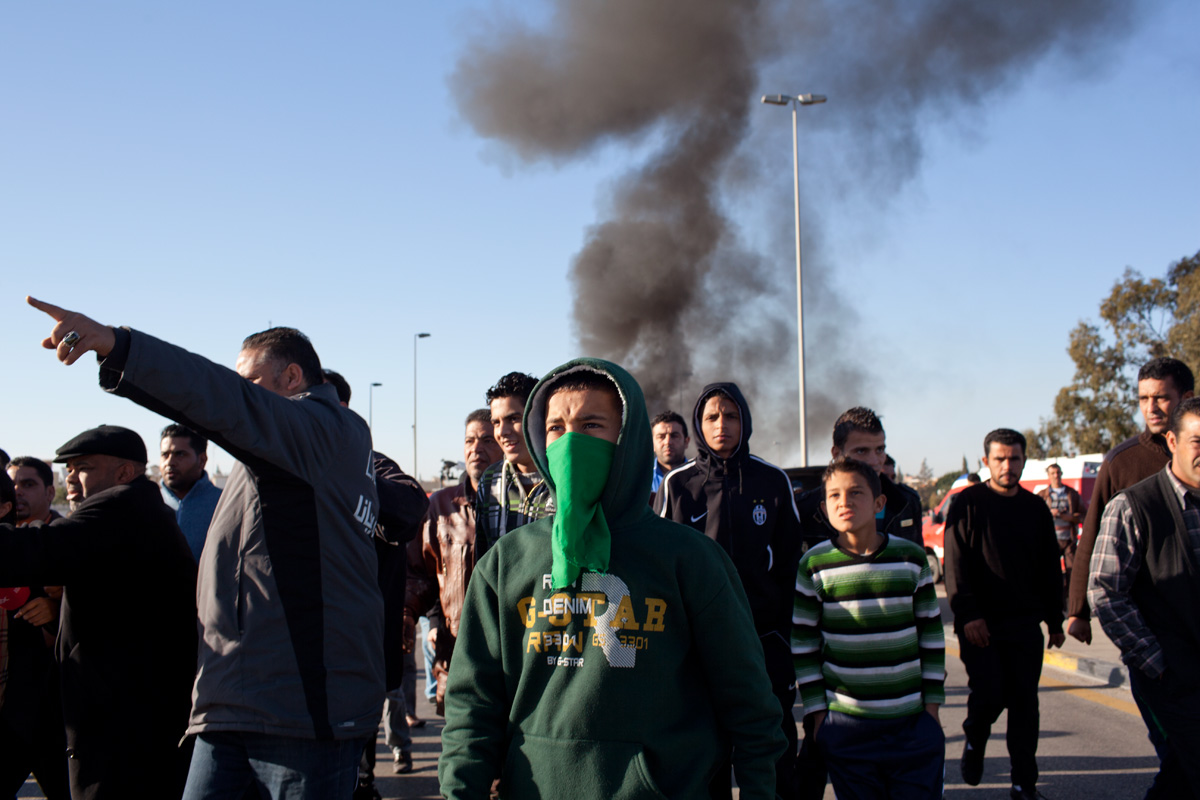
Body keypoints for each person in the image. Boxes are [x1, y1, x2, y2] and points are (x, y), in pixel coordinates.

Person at [28, 297, 385, 799]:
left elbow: (221, 399)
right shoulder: (277, 458)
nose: (243, 397)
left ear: (291, 378)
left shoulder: (323, 429)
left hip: (298, 714)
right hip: (229, 703)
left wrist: (119, 345)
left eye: (252, 384)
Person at [439, 359, 785, 799]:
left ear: (627, 438)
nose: (570, 443)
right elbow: (472, 710)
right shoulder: (506, 563)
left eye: (591, 425)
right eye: (556, 429)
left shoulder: (692, 560)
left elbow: (752, 711)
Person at [0, 425, 197, 799]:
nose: (71, 476)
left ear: (124, 472)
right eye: (69, 468)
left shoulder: (122, 507)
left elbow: (40, 551)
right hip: (127, 717)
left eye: (83, 466)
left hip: (125, 726)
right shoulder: (137, 509)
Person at [654, 382, 802, 799]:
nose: (723, 425)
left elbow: (790, 565)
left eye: (732, 415)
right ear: (699, 426)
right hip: (696, 650)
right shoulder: (678, 486)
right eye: (712, 417)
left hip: (763, 644)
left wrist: (783, 639)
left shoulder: (773, 480)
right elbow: (659, 566)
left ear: (746, 421)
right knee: (706, 763)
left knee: (772, 756)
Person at [794, 457, 945, 798]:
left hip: (910, 722)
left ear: (879, 503)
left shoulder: (911, 558)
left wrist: (932, 708)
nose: (844, 502)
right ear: (824, 506)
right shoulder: (814, 564)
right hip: (847, 726)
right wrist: (818, 714)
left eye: (855, 493)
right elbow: (804, 645)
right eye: (833, 495)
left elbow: (931, 637)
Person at [322, 369, 430, 798]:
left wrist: (340, 478)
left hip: (359, 652)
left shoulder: (374, 465)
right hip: (289, 665)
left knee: (358, 775)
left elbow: (409, 505)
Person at [1089, 396, 1200, 798]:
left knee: (1180, 775)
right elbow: (1105, 590)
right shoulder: (1134, 505)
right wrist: (1156, 663)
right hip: (1172, 676)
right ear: (1172, 441)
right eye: (1197, 441)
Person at [945, 429, 1064, 800]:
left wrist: (1055, 620)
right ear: (986, 462)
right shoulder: (968, 503)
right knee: (991, 694)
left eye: (1014, 458)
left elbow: (1049, 566)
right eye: (1000, 459)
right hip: (981, 625)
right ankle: (975, 737)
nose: (1007, 465)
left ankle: (1023, 785)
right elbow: (956, 565)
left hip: (1025, 624)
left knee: (1025, 705)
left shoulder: (1035, 508)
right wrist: (968, 615)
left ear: (1024, 461)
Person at [1067, 357, 1194, 642]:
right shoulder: (1121, 462)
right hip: (1149, 621)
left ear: (1187, 398)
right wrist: (1078, 611)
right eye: (1143, 398)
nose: (1151, 408)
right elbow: (1092, 534)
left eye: (1161, 397)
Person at [407, 408, 503, 718]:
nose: (477, 449)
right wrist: (417, 617)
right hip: (456, 655)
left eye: (488, 440)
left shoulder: (526, 503)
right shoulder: (440, 506)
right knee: (460, 753)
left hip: (513, 655)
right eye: (470, 440)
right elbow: (420, 572)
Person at [0, 457, 69, 799]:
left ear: (49, 491)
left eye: (28, 484)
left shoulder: (70, 542)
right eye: (13, 484)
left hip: (59, 711)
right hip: (10, 711)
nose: (19, 492)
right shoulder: (7, 547)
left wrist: (58, 610)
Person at [798, 407, 923, 552]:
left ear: (879, 503)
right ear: (837, 453)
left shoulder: (906, 502)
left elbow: (917, 568)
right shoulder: (805, 509)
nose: (874, 461)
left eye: (880, 450)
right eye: (861, 451)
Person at [475, 371, 553, 555]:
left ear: (538, 417)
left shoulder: (563, 477)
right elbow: (483, 561)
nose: (502, 432)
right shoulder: (490, 481)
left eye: (513, 419)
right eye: (496, 422)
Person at [159, 424, 223, 562]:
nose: (170, 462)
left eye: (179, 454)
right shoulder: (147, 503)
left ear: (202, 460)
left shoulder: (223, 504)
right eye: (165, 455)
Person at [1036, 463, 1085, 604]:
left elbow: (1084, 515)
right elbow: (1034, 517)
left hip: (1069, 539)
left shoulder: (1072, 494)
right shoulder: (1043, 495)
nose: (1056, 476)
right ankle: (1055, 602)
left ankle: (1072, 603)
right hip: (1050, 540)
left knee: (1073, 572)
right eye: (1053, 473)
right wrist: (1049, 513)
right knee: (1052, 573)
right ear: (1048, 475)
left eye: (1058, 472)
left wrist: (1070, 517)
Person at [649, 410, 689, 494]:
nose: (668, 442)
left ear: (686, 442)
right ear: (652, 444)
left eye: (674, 436)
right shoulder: (640, 480)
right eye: (661, 437)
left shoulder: (702, 479)